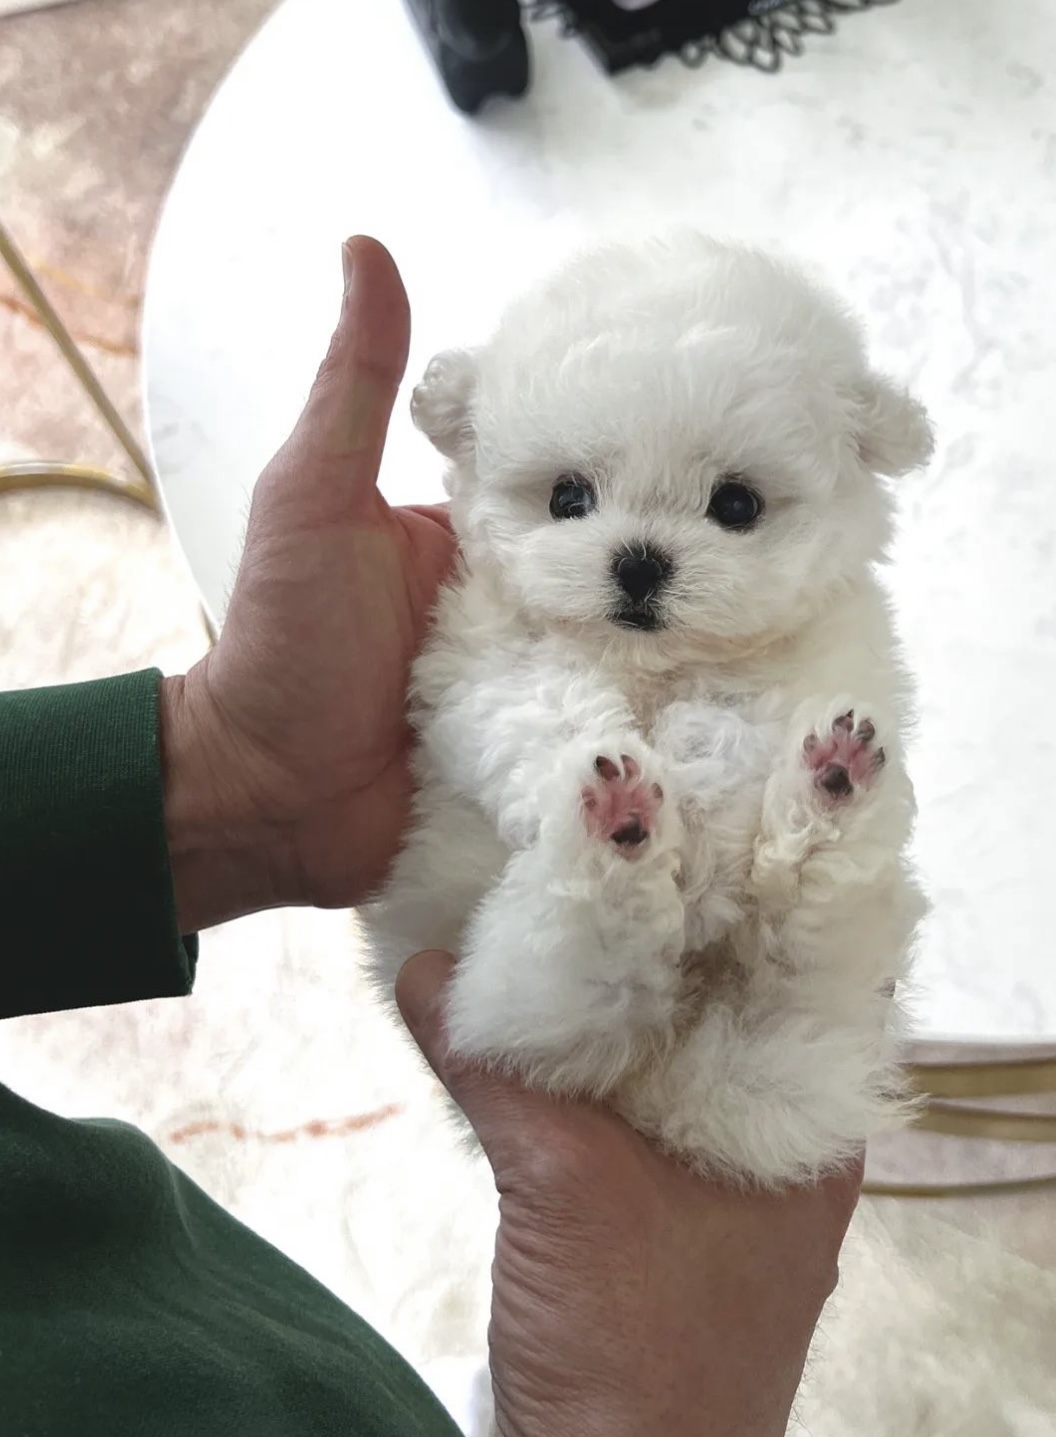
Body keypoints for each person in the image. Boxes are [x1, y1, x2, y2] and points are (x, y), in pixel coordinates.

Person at [0, 237, 862, 1437]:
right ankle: (613, 883)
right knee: (563, 926)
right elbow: (498, 721)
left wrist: (217, 764)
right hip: (533, 1010)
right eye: (570, 498)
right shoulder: (488, 631)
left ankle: (771, 853)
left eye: (729, 507)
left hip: (241, 1340)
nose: (637, 556)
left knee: (803, 949)